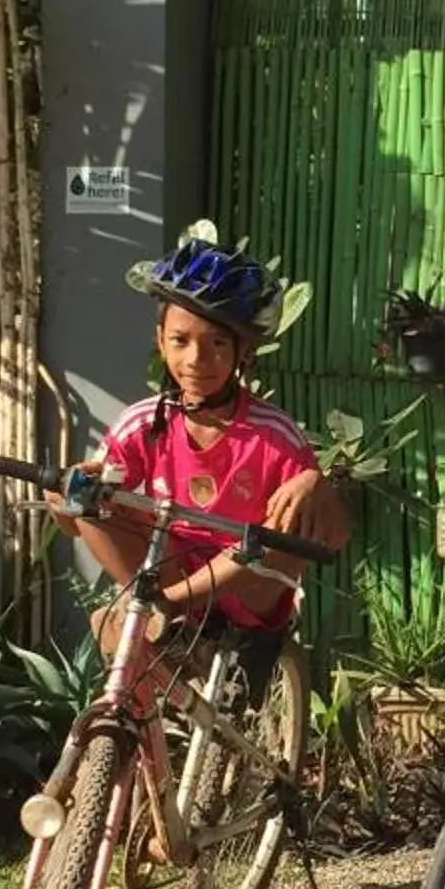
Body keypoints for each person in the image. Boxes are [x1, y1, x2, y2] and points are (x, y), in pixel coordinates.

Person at [60, 235, 348, 837]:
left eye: (218, 343)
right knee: (86, 500)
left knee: (267, 535)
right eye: (181, 340)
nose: (197, 358)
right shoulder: (144, 423)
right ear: (160, 341)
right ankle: (151, 612)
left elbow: (332, 533)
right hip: (170, 582)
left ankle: (153, 611)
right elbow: (100, 495)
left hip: (247, 596)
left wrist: (314, 482)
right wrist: (77, 491)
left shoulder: (273, 435)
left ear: (242, 352)